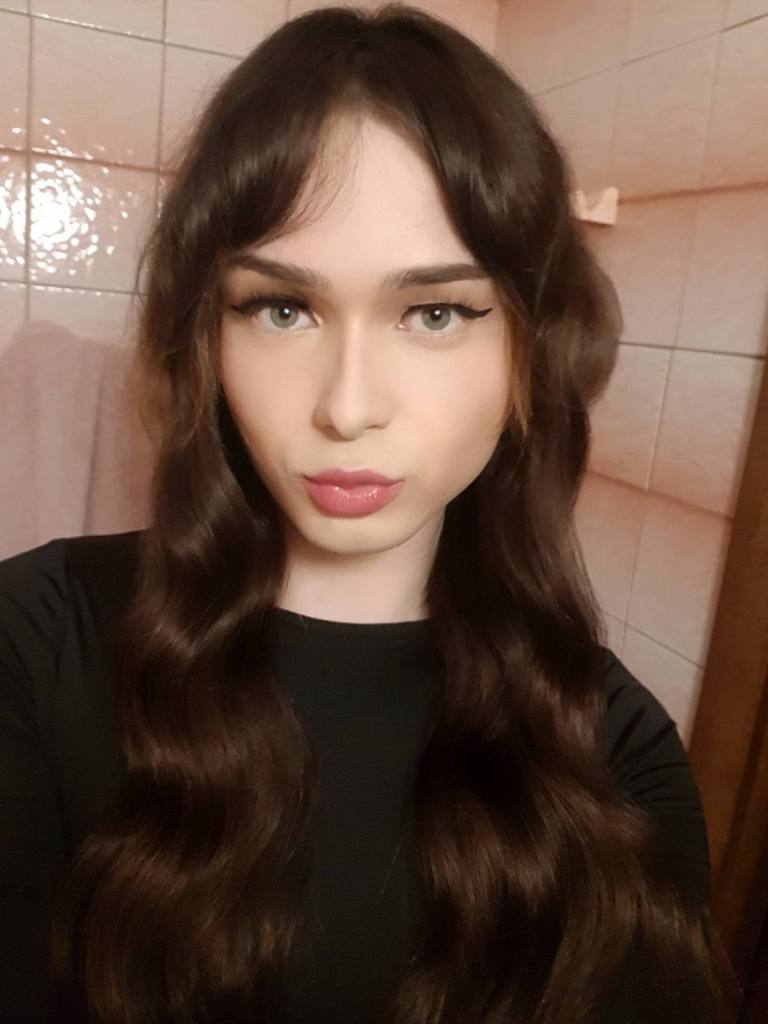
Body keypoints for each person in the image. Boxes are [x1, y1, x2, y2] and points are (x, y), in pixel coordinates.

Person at [0, 4, 736, 1023]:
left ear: (532, 350)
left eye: (435, 313)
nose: (347, 408)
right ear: (207, 337)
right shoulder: (35, 639)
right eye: (282, 308)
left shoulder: (613, 755)